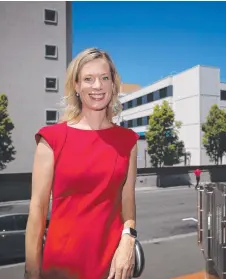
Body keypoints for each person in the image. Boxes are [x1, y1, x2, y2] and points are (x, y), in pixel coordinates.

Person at [24, 48, 139, 279]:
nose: (97, 86)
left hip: (112, 268)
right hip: (61, 268)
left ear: (113, 85)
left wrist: (128, 238)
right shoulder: (52, 139)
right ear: (76, 86)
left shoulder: (128, 141)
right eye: (88, 79)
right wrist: (31, 273)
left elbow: (127, 201)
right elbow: (37, 210)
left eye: (104, 78)